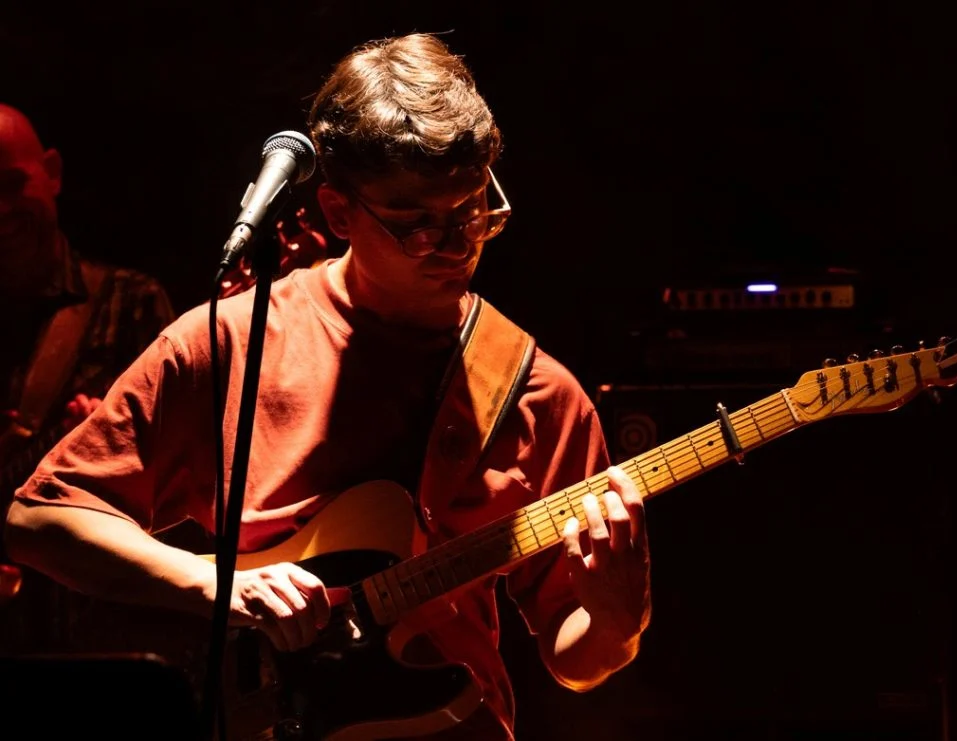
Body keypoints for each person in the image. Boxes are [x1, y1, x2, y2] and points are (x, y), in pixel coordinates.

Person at [3, 33, 651, 740]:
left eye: (472, 210)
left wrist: (617, 623)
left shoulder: (538, 393)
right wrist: (217, 585)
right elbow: (40, 521)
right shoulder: (234, 341)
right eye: (417, 225)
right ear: (340, 214)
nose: (457, 245)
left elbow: (574, 657)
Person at [0, 103, 178, 653]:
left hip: (98, 641)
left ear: (52, 172)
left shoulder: (132, 304)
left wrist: (113, 448)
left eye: (10, 183)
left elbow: (183, 484)